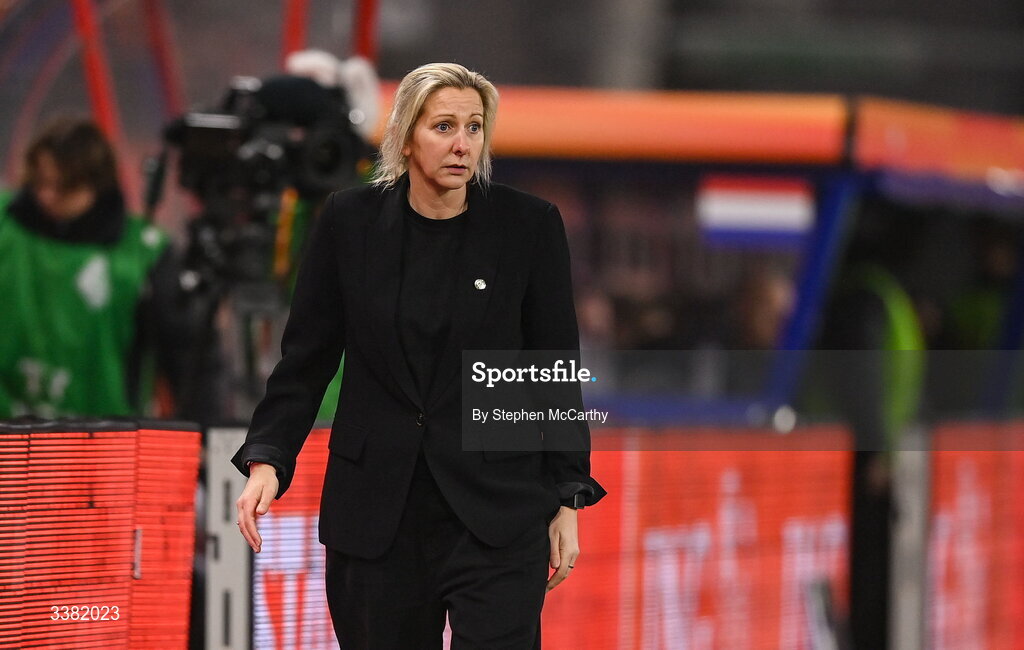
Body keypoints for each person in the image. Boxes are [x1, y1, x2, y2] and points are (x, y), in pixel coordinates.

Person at [233, 63, 606, 648]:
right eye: (444, 126)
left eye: (475, 127)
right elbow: (305, 360)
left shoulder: (528, 227)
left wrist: (568, 496)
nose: (463, 144)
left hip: (496, 513)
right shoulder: (348, 223)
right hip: (377, 515)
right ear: (405, 137)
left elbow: (552, 371)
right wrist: (268, 459)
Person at [0, 118, 194, 419]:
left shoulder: (142, 252)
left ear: (96, 185)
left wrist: (204, 435)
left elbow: (188, 356)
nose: (46, 196)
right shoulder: (5, 227)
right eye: (40, 182)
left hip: (104, 444)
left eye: (64, 187)